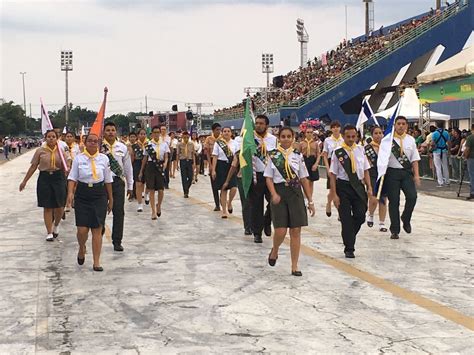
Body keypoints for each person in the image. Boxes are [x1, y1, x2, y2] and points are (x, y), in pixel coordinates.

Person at [265, 127, 315, 276]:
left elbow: (304, 178)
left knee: (296, 230)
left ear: (293, 138)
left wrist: (310, 200)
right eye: (283, 136)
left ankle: (294, 266)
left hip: (295, 193)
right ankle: (275, 250)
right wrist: (273, 193)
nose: (286, 139)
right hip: (279, 193)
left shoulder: (298, 155)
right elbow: (268, 177)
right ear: (279, 138)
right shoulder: (273, 155)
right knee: (280, 230)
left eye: (289, 136)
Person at [67, 133, 113, 271]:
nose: (93, 143)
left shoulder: (104, 159)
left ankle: (96, 261)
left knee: (97, 229)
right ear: (85, 143)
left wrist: (111, 198)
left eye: (95, 141)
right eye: (90, 141)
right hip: (82, 194)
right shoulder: (78, 159)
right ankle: (82, 247)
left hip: (99, 195)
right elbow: (72, 177)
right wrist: (70, 193)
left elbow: (108, 180)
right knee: (82, 230)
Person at [330, 125, 372, 258]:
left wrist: (369, 187)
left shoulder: (360, 150)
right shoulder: (338, 152)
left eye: (353, 136)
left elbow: (365, 169)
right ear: (343, 136)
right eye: (348, 136)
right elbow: (333, 174)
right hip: (343, 187)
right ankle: (349, 248)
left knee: (360, 215)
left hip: (358, 186)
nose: (351, 139)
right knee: (346, 218)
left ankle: (349, 235)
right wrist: (334, 194)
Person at [19, 130, 69, 241]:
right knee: (47, 206)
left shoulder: (61, 151)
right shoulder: (40, 151)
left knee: (60, 205)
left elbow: (67, 165)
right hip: (45, 178)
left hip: (58, 178)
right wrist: (24, 181)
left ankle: (56, 224)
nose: (51, 138)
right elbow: (33, 166)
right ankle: (49, 231)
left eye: (53, 137)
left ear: (57, 138)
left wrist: (68, 170)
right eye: (49, 137)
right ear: (45, 138)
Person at [384, 116, 421, 240]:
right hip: (392, 173)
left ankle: (406, 218)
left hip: (406, 173)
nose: (400, 126)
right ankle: (395, 229)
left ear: (406, 126)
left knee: (412, 196)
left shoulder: (411, 140)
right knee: (394, 202)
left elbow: (415, 159)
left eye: (403, 124)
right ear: (394, 125)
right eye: (398, 123)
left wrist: (416, 175)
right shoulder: (388, 140)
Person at [101, 122, 134, 252]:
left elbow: (128, 167)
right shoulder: (99, 147)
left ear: (116, 132)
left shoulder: (122, 147)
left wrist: (130, 185)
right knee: (101, 211)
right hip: (102, 183)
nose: (110, 132)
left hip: (118, 182)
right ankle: (100, 233)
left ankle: (117, 241)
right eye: (108, 130)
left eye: (113, 130)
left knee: (119, 212)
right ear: (104, 132)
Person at [249, 114, 277, 243]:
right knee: (256, 204)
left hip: (270, 175)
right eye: (257, 123)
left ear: (266, 125)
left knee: (273, 202)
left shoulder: (273, 139)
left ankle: (267, 220)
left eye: (261, 123)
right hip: (257, 174)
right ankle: (257, 232)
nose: (259, 125)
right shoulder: (250, 138)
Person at [139, 125, 170, 219]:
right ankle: (153, 211)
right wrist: (141, 171)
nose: (156, 134)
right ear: (152, 134)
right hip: (150, 167)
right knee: (151, 189)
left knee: (161, 190)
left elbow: (166, 156)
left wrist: (165, 163)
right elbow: (145, 158)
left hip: (160, 166)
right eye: (155, 132)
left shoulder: (164, 144)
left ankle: (159, 205)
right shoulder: (148, 145)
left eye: (158, 132)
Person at [222, 142, 252, 236]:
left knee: (256, 203)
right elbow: (233, 167)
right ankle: (247, 227)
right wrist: (227, 181)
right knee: (246, 202)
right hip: (242, 179)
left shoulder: (259, 152)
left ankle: (258, 224)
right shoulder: (239, 153)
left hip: (256, 179)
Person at [364, 126, 388, 232]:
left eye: (380, 133)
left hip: (383, 174)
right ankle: (371, 214)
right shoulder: (368, 148)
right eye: (376, 133)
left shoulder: (386, 147)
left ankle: (382, 223)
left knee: (383, 199)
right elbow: (366, 164)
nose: (378, 135)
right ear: (372, 135)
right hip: (372, 174)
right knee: (374, 198)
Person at [211, 127, 238, 219]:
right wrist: (213, 170)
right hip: (221, 166)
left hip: (232, 166)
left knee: (234, 188)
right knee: (224, 188)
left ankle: (229, 202)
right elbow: (215, 157)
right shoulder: (218, 143)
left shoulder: (235, 143)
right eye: (224, 131)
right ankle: (224, 211)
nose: (226, 133)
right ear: (222, 133)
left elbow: (237, 155)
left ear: (231, 133)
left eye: (228, 131)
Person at [322, 121, 343, 217]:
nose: (335, 129)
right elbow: (325, 155)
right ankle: (329, 203)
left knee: (340, 188)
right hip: (331, 164)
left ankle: (340, 212)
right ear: (331, 129)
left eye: (337, 126)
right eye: (333, 127)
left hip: (342, 164)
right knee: (332, 188)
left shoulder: (343, 139)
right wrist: (327, 168)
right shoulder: (327, 140)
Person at [299, 126, 321, 199]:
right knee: (305, 181)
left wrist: (316, 164)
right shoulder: (301, 143)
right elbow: (298, 154)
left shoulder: (316, 144)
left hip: (312, 162)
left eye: (311, 132)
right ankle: (305, 196)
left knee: (311, 182)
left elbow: (318, 154)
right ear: (305, 133)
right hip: (304, 162)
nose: (309, 134)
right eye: (308, 132)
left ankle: (310, 198)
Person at [205, 123, 222, 211]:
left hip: (221, 161)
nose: (219, 131)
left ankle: (222, 199)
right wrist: (210, 165)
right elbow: (207, 153)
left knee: (223, 183)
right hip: (212, 160)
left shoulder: (222, 139)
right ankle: (217, 204)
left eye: (220, 129)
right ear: (213, 130)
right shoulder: (209, 139)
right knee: (214, 184)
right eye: (217, 130)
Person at [130, 129, 147, 211]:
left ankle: (146, 194)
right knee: (138, 184)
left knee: (148, 183)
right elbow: (132, 158)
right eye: (141, 134)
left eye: (144, 134)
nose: (142, 135)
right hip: (137, 164)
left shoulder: (149, 144)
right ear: (138, 135)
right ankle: (140, 204)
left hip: (147, 165)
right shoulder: (134, 146)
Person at [431, 122, 451, 187]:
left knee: (438, 167)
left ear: (436, 126)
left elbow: (432, 143)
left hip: (437, 151)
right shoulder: (446, 133)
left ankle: (441, 182)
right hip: (444, 150)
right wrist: (449, 151)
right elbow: (449, 143)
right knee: (445, 166)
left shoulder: (434, 133)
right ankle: (447, 181)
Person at [177, 131, 196, 198]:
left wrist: (194, 163)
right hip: (183, 161)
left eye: (187, 137)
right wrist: (177, 164)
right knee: (184, 177)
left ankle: (186, 187)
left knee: (190, 177)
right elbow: (178, 154)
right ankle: (186, 192)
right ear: (182, 137)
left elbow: (193, 154)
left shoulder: (191, 144)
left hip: (189, 161)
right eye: (184, 137)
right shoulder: (179, 144)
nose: (186, 139)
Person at [463, 124, 474, 200]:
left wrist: (465, 157)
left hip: (471, 158)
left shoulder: (470, 138)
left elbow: (467, 149)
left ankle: (472, 192)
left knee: (472, 175)